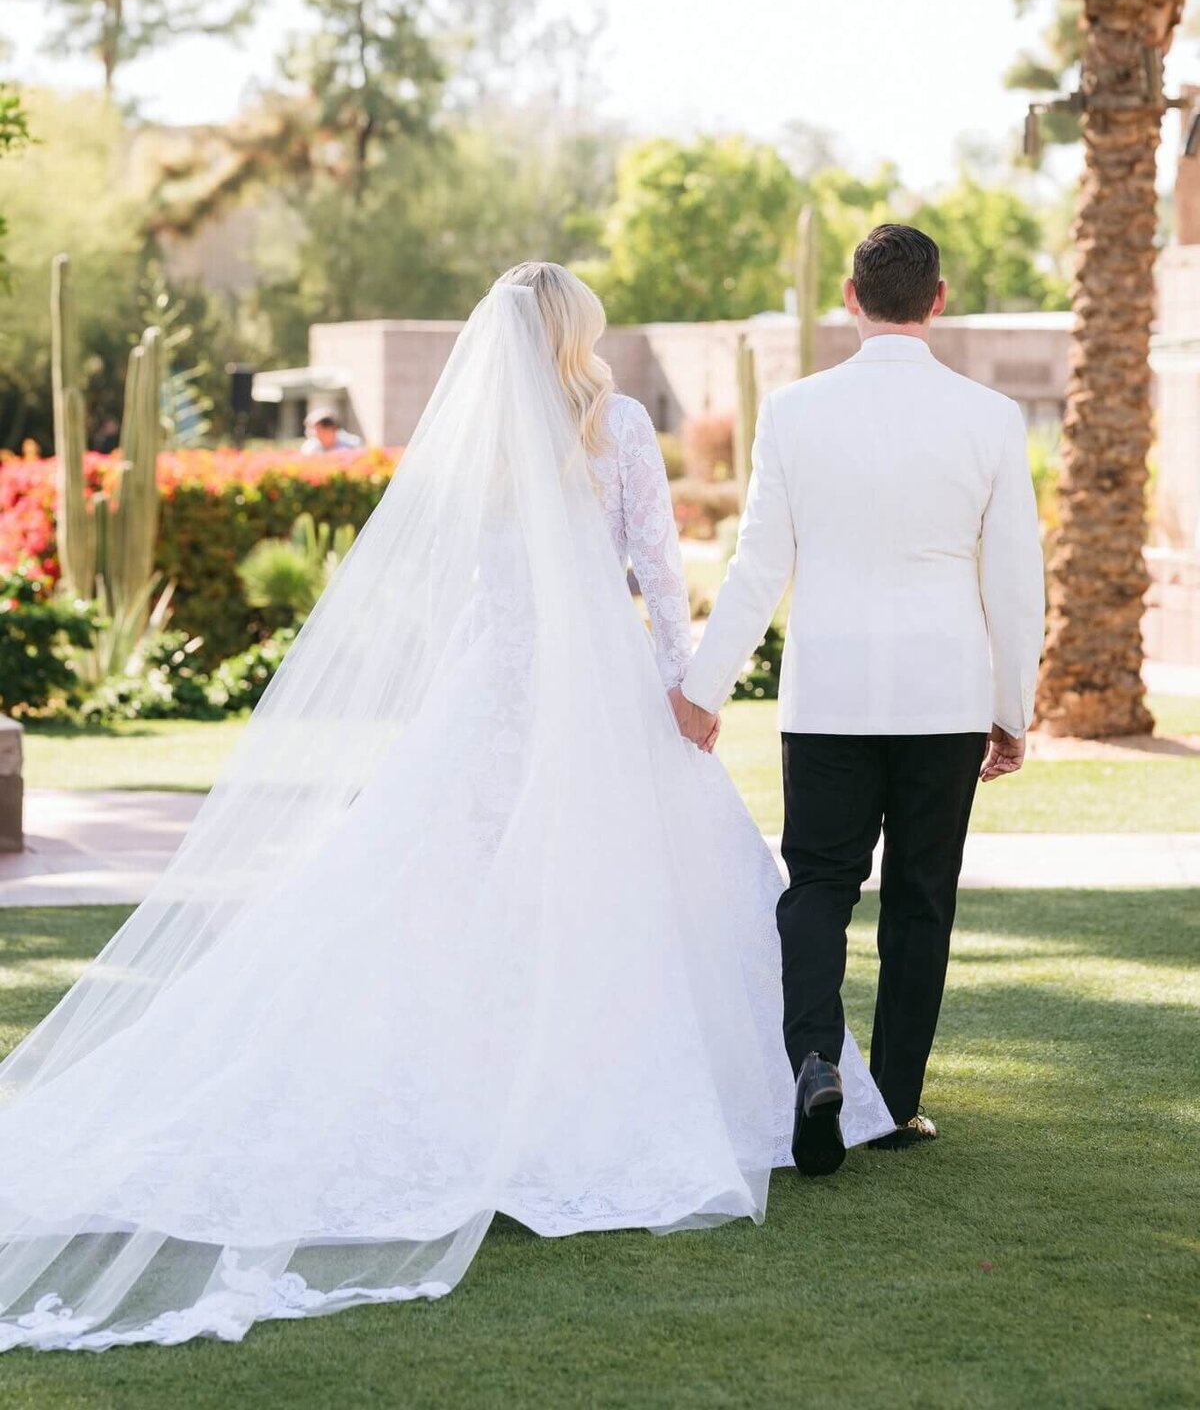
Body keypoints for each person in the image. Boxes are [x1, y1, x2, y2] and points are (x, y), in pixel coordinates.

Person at [0, 262, 891, 1354]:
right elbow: (658, 573)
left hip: (495, 688)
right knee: (625, 889)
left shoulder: (483, 440)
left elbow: (457, 587)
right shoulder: (615, 425)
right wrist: (686, 688)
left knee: (462, 890)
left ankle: (482, 1094)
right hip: (598, 689)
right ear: (576, 333)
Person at [672, 224, 1045, 1170]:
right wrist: (1014, 707)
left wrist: (705, 688)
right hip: (946, 695)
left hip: (830, 693)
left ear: (851, 295)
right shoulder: (992, 417)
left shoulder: (795, 412)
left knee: (820, 886)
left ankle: (814, 1062)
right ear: (940, 297)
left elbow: (757, 565)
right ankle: (899, 1101)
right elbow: (1015, 582)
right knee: (922, 898)